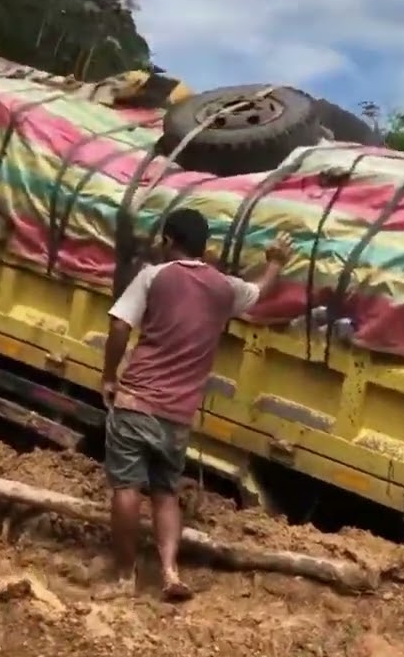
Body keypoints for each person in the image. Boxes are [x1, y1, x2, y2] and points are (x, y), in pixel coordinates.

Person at [100, 207, 291, 602]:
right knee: (166, 492)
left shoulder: (154, 276)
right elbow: (259, 292)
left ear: (169, 240)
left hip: (137, 401)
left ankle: (123, 576)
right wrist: (275, 262)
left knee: (127, 487)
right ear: (205, 246)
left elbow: (120, 324)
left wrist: (108, 375)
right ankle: (170, 572)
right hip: (178, 415)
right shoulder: (223, 289)